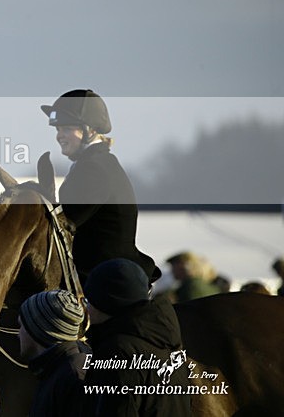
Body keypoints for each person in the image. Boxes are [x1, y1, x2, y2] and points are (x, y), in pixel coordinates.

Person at [41, 90, 160, 284]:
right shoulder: (94, 162)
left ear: (91, 130)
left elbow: (64, 226)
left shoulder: (93, 168)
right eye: (58, 130)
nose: (59, 136)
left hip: (105, 278)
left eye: (67, 129)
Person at [83, 258, 190, 416]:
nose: (86, 309)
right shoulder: (168, 346)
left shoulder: (119, 352)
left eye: (89, 301)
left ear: (107, 302)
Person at [18, 289, 89, 417]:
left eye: (21, 326)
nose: (18, 334)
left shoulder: (74, 377)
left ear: (37, 331)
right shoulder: (54, 369)